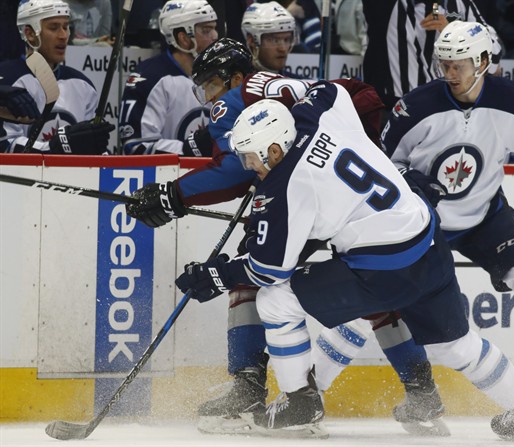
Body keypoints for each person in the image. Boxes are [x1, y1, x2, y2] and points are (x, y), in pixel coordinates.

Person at [174, 81, 514, 439]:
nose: (248, 167)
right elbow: (328, 89)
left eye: (251, 158)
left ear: (274, 149)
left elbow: (269, 269)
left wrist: (215, 276)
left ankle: (300, 406)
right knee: (455, 344)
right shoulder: (320, 113)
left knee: (276, 300)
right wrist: (278, 87)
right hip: (427, 239)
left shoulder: (286, 185)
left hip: (381, 268)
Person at [127, 38, 453, 437]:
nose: (210, 97)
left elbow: (236, 169)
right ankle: (420, 388)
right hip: (347, 187)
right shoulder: (273, 84)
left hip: (306, 194)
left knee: (251, 270)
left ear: (234, 77)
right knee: (373, 284)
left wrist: (174, 194)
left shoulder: (233, 99)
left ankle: (249, 386)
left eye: (211, 84)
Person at [381, 20, 514, 430]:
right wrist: (406, 179)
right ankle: (421, 394)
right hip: (425, 224)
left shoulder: (510, 99)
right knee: (393, 308)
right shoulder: (417, 106)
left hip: (484, 216)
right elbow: (382, 162)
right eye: (444, 63)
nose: (449, 73)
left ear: (482, 61)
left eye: (459, 64)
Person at [0, 0, 113, 154]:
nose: (63, 35)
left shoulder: (83, 84)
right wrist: (52, 149)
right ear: (30, 33)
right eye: (53, 28)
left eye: (66, 27)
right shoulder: (7, 81)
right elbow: (5, 144)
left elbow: (92, 148)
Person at [361, 0, 503, 112]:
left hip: (441, 108)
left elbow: (494, 56)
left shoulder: (461, 4)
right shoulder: (387, 4)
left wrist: (455, 33)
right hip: (390, 106)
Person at [118, 0, 219, 156]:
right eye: (206, 30)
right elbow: (136, 145)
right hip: (165, 179)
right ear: (183, 38)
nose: (215, 36)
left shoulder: (221, 75)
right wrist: (189, 150)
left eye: (214, 29)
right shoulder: (149, 78)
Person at [240, 2, 299, 74]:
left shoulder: (297, 83)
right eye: (274, 40)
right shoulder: (236, 83)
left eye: (286, 39)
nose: (283, 49)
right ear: (252, 41)